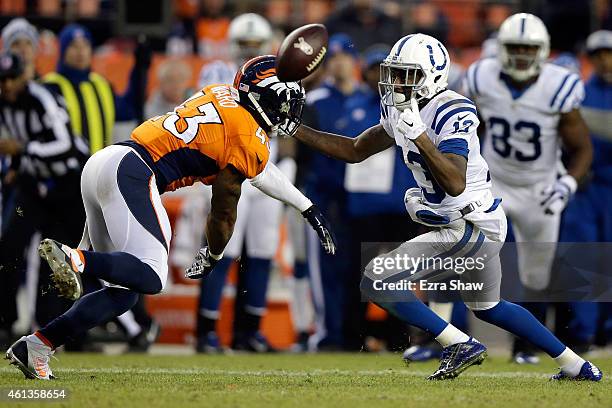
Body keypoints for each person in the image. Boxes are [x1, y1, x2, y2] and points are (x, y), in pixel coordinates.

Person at [290, 33, 601, 381]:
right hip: (461, 222)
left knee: (377, 280)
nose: (395, 82)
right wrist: (294, 128)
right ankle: (576, 365)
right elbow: (354, 150)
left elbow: (455, 181)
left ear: (432, 75)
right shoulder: (399, 108)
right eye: (393, 72)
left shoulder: (454, 109)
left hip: (472, 222)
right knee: (490, 307)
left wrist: (420, 135)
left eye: (406, 74)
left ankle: (457, 344)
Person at [5, 55, 336, 380]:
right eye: (284, 101)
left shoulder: (221, 92)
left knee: (125, 291)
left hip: (105, 161)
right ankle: (76, 258)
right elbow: (229, 202)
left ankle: (37, 345)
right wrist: (215, 252)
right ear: (263, 98)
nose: (288, 111)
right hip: (133, 172)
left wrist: (306, 206)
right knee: (152, 276)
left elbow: (260, 168)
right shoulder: (247, 137)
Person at [462, 13, 592, 364]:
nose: (521, 55)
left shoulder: (559, 85)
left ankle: (527, 348)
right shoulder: (479, 76)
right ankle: (450, 338)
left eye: (528, 48)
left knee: (536, 275)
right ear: (502, 49)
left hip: (540, 189)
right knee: (465, 253)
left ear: (543, 50)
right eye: (514, 47)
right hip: (495, 184)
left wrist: (566, 182)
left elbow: (582, 147)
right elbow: (468, 129)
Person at [0, 52, 88, 346]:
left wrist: (22, 151)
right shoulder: (4, 104)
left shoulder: (42, 98)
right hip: (34, 185)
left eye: (11, 78)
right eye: (2, 80)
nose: (7, 85)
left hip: (67, 185)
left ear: (24, 76)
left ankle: (60, 332)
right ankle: (6, 323)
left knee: (60, 259)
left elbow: (65, 145)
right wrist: (15, 167)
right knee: (8, 247)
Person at [301, 33, 368, 350]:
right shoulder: (314, 101)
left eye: (344, 57)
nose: (339, 64)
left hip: (360, 199)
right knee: (324, 267)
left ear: (355, 62)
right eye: (333, 58)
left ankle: (352, 334)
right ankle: (327, 334)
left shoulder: (370, 99)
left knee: (356, 269)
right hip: (324, 195)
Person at [560, 30, 612, 349]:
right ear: (590, 59)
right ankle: (584, 332)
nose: (606, 60)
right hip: (588, 187)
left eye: (609, 53)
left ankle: (606, 328)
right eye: (599, 55)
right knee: (584, 261)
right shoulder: (578, 92)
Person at [44, 24, 150, 153]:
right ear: (63, 51)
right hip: (63, 168)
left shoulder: (101, 85)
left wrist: (139, 69)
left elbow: (129, 110)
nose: (81, 51)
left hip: (97, 169)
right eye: (74, 46)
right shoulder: (49, 87)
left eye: (85, 45)